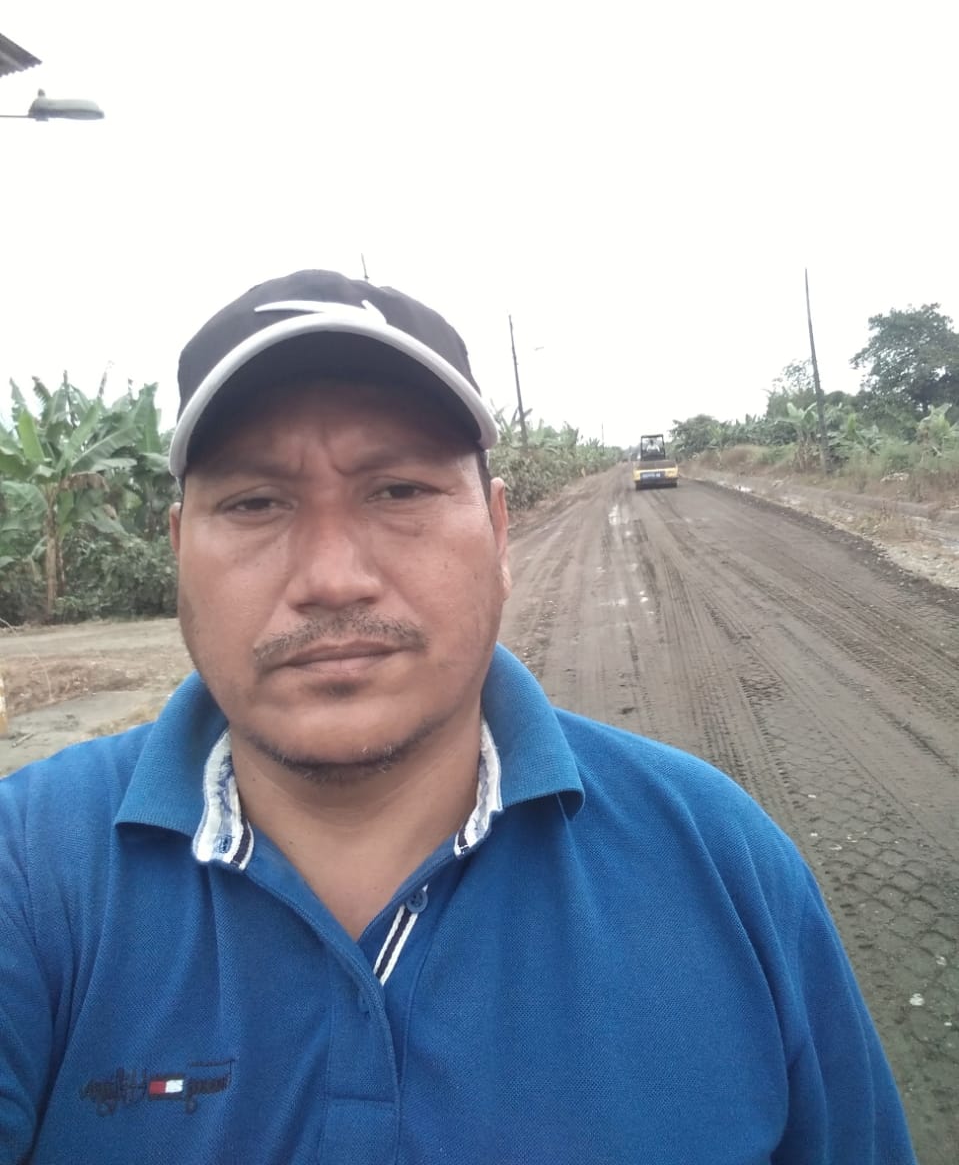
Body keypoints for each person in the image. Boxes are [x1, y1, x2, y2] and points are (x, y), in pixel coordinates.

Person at [0, 269, 916, 1164]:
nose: (332, 578)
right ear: (178, 552)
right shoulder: (30, 875)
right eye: (254, 503)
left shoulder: (719, 859)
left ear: (498, 531)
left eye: (398, 491)